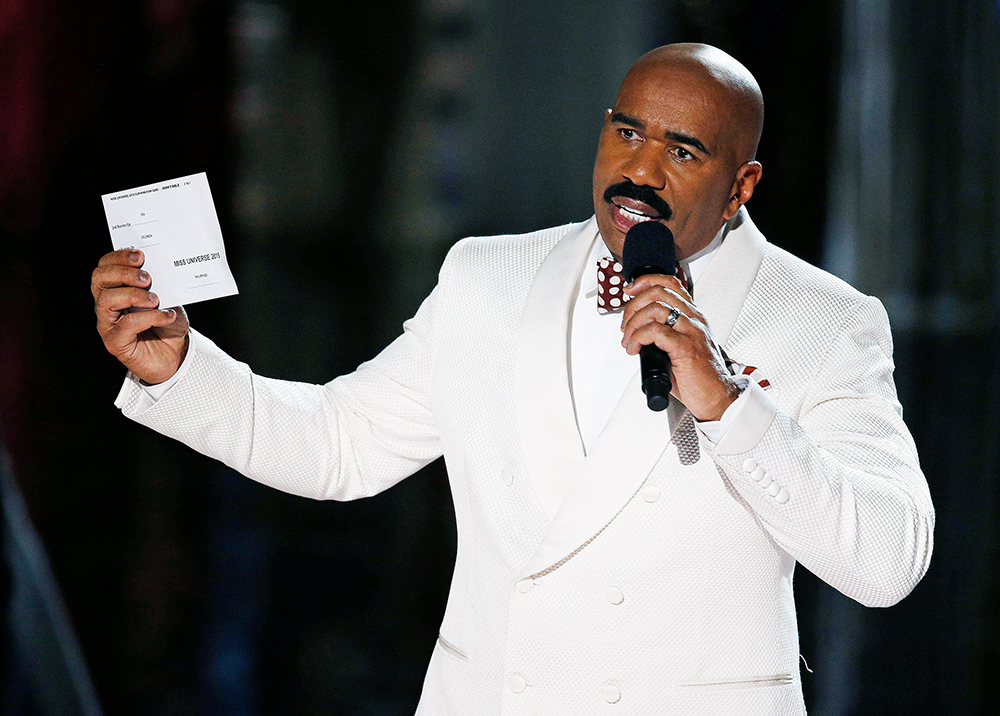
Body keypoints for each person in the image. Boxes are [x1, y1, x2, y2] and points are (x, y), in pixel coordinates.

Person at [91, 43, 934, 714]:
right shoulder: (486, 276)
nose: (642, 170)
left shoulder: (824, 320)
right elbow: (337, 448)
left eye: (684, 149)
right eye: (628, 132)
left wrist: (727, 403)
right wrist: (182, 370)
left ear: (741, 184)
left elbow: (888, 562)